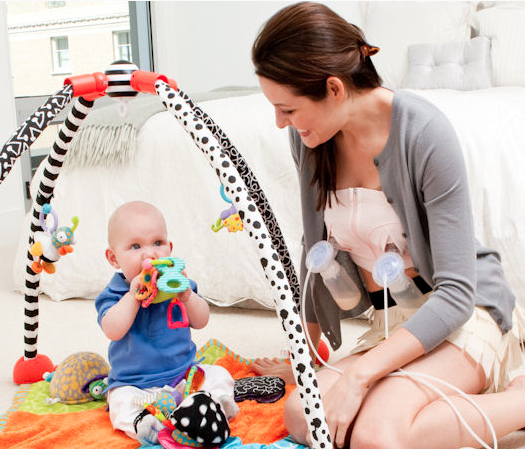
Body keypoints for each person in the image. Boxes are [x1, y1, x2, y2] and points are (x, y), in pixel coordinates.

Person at [251, 2, 525, 448]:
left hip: (463, 311)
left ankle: (519, 403)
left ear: (334, 88)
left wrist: (361, 373)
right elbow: (314, 249)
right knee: (304, 415)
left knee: (376, 435)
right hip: (393, 320)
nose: (279, 121)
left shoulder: (424, 133)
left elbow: (457, 293)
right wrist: (305, 360)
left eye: (287, 108)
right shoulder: (310, 138)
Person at [95, 201, 238, 446]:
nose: (150, 254)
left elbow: (201, 320)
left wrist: (187, 297)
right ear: (113, 258)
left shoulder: (179, 286)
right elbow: (113, 330)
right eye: (135, 246)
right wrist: (133, 297)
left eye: (158, 243)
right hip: (136, 385)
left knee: (219, 374)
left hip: (185, 375)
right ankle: (144, 424)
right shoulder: (116, 294)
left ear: (170, 248)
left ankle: (215, 405)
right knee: (119, 402)